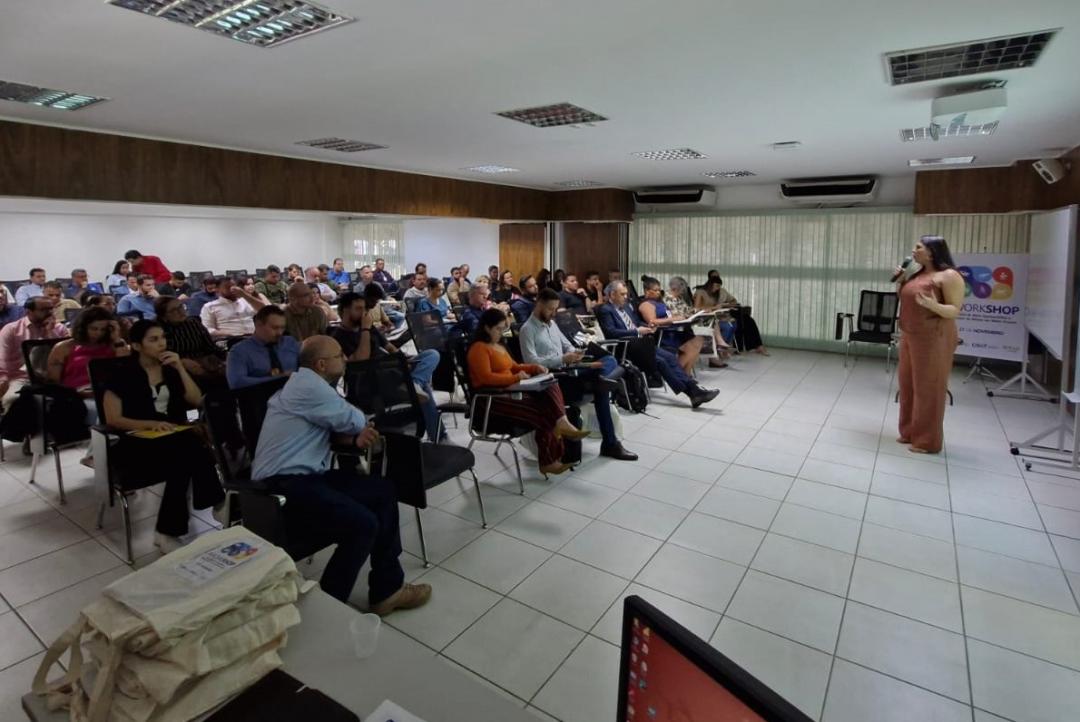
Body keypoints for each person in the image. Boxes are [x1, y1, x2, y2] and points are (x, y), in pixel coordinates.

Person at [251, 335, 433, 612]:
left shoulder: (309, 385)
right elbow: (355, 419)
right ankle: (330, 606)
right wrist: (358, 427)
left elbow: (331, 427)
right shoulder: (309, 386)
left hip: (308, 476)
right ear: (322, 364)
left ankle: (388, 590)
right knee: (363, 524)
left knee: (382, 491)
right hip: (282, 486)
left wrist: (353, 439)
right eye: (339, 355)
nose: (345, 359)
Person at [102, 320, 225, 553]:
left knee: (184, 456)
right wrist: (151, 423)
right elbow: (113, 419)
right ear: (137, 346)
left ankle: (168, 531)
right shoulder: (122, 373)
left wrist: (180, 368)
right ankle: (217, 502)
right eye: (153, 339)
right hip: (135, 442)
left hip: (172, 439)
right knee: (190, 449)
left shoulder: (169, 369)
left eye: (163, 338)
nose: (161, 344)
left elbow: (196, 399)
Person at [521, 289, 637, 461]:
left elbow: (567, 345)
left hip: (570, 368)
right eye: (550, 309)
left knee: (608, 359)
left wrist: (576, 352)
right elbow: (531, 362)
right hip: (555, 377)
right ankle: (610, 443)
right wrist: (562, 358)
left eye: (555, 309)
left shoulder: (552, 325)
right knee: (602, 389)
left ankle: (604, 379)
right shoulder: (527, 330)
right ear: (539, 304)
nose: (553, 314)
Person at [468, 309, 588, 474]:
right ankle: (549, 460)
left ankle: (562, 423)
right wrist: (515, 378)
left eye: (503, 329)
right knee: (543, 414)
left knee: (551, 383)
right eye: (498, 329)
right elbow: (484, 378)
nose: (501, 333)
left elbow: (514, 366)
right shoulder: (478, 348)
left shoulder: (498, 346)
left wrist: (534, 367)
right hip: (491, 399)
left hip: (512, 391)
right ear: (487, 328)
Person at [331, 293, 443, 442]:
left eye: (364, 309)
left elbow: (389, 346)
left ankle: (414, 382)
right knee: (424, 390)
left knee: (431, 355)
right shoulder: (337, 335)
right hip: (372, 380)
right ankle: (439, 437)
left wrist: (402, 359)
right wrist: (365, 330)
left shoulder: (370, 328)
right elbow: (360, 361)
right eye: (358, 309)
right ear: (344, 311)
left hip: (394, 368)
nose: (363, 313)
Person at [596, 282, 718, 408]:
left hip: (640, 344)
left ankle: (694, 391)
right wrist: (637, 331)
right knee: (660, 361)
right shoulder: (605, 309)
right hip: (625, 348)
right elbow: (611, 333)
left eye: (626, 294)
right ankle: (693, 393)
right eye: (622, 294)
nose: (626, 297)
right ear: (612, 294)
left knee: (670, 357)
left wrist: (648, 326)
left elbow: (637, 322)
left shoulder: (626, 307)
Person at [896, 235, 963, 455]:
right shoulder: (918, 274)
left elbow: (954, 309)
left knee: (929, 387)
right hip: (910, 334)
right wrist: (901, 280)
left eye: (918, 247)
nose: (914, 251)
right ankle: (908, 432)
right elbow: (907, 299)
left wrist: (934, 306)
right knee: (908, 385)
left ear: (932, 251)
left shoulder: (949, 276)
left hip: (934, 337)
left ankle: (927, 440)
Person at [46, 306, 129, 430]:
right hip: (75, 396)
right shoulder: (64, 347)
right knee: (105, 413)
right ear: (83, 327)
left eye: (103, 329)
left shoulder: (115, 345)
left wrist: (117, 337)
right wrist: (76, 393)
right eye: (94, 329)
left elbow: (126, 369)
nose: (98, 333)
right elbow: (53, 382)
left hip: (109, 393)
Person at [0, 297, 69, 412]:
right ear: (28, 312)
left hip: (54, 377)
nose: (49, 313)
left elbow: (62, 355)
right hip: (21, 377)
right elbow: (2, 359)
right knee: (12, 398)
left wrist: (50, 332)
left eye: (51, 309)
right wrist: (3, 381)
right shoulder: (11, 330)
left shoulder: (59, 329)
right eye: (44, 310)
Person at [638, 276, 704, 374]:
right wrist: (673, 319)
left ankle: (686, 373)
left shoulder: (658, 302)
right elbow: (652, 321)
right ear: (647, 291)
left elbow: (668, 315)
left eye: (659, 290)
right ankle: (676, 373)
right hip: (664, 334)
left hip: (674, 330)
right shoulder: (646, 304)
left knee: (699, 340)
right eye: (655, 290)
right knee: (693, 345)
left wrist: (681, 317)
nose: (658, 293)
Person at [155, 296, 225, 385]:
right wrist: (181, 362)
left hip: (205, 362)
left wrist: (224, 358)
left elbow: (210, 347)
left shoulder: (193, 323)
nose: (180, 311)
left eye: (181, 306)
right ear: (164, 316)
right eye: (173, 310)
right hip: (178, 366)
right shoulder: (159, 329)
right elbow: (163, 355)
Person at [226, 306, 300, 389]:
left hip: (295, 395)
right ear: (258, 325)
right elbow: (237, 382)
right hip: (261, 397)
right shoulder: (240, 351)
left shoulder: (289, 342)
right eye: (275, 328)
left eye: (282, 328)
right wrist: (279, 378)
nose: (280, 333)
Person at [696, 271, 768, 355]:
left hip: (725, 312)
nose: (717, 286)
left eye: (718, 277)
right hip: (714, 315)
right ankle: (727, 347)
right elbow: (698, 308)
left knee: (746, 320)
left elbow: (733, 300)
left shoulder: (720, 291)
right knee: (732, 324)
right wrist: (716, 307)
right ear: (710, 280)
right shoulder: (702, 292)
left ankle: (756, 345)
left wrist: (727, 305)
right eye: (714, 278)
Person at [668, 275, 728, 367]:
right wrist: (690, 314)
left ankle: (717, 350)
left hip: (688, 321)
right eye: (682, 290)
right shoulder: (668, 299)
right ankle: (716, 352)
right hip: (681, 326)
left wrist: (700, 311)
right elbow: (675, 314)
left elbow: (689, 309)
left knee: (712, 321)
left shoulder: (678, 298)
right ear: (675, 289)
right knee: (709, 330)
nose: (683, 292)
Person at [201, 276, 265, 339]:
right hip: (230, 340)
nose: (232, 289)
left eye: (234, 286)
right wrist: (227, 334)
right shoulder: (210, 307)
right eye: (227, 287)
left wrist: (244, 295)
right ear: (217, 289)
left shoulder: (245, 301)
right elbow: (207, 329)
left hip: (254, 338)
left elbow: (264, 310)